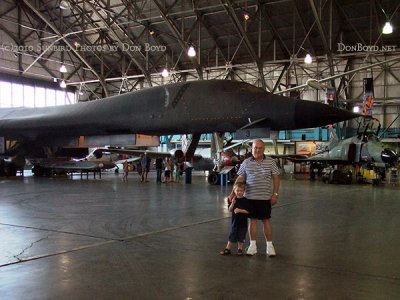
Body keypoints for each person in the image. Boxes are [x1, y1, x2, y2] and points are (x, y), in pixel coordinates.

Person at [232, 139, 280, 257]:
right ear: (252, 148)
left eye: (259, 148)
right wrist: (232, 194)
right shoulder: (246, 162)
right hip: (250, 198)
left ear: (264, 149)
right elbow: (240, 179)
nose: (257, 150)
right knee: (252, 221)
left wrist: (275, 194)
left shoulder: (271, 162)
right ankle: (252, 246)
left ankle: (270, 246)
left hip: (264, 198)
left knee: (266, 220)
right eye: (255, 148)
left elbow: (276, 178)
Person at [220, 182, 250, 256]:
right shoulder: (233, 200)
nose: (239, 192)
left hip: (243, 223)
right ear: (234, 191)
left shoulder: (246, 200)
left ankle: (240, 249)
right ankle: (228, 248)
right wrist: (233, 203)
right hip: (235, 223)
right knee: (232, 235)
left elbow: (248, 211)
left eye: (241, 191)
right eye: (238, 191)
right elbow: (230, 210)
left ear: (244, 191)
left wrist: (240, 210)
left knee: (241, 236)